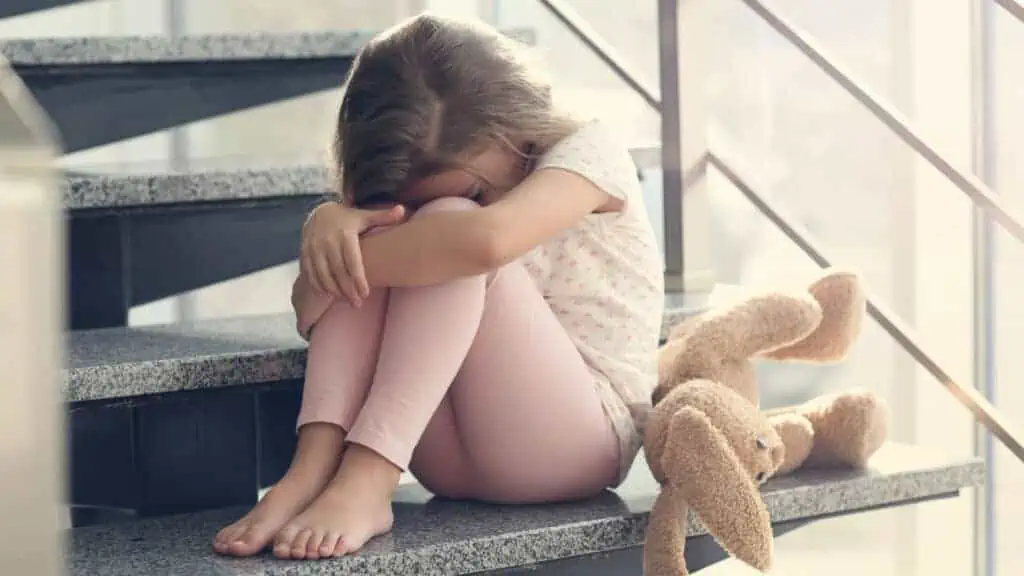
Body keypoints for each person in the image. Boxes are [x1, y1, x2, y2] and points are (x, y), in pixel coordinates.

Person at [212, 12, 665, 561]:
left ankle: (369, 479)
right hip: (441, 446)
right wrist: (339, 226)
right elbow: (309, 304)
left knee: (444, 236)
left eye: (478, 189)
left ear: (512, 129)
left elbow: (485, 244)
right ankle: (312, 469)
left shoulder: (589, 151)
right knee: (391, 231)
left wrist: (330, 250)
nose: (465, 201)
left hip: (575, 442)